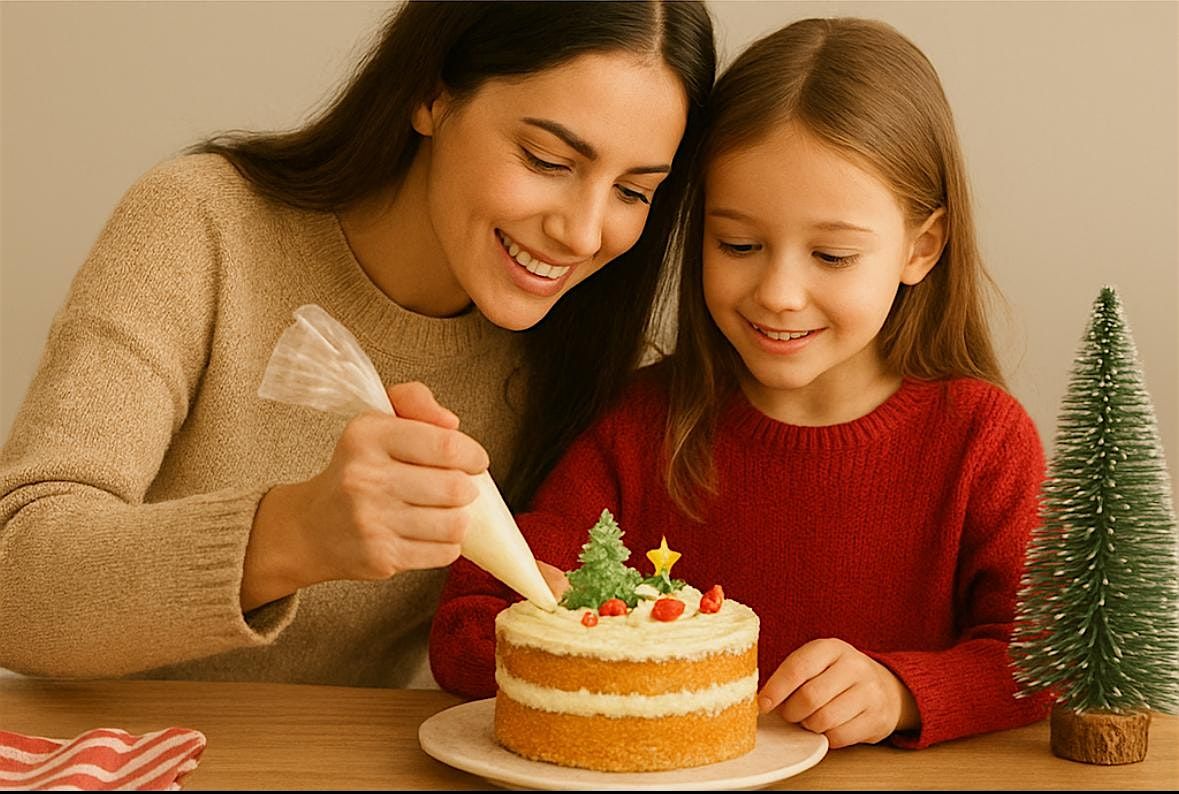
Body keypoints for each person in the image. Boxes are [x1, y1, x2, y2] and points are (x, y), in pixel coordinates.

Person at [0, 1, 715, 688]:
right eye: (547, 159)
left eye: (632, 191)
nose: (584, 234)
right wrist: (290, 534)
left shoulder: (586, 351)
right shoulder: (202, 225)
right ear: (432, 95)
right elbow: (13, 588)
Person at [430, 16, 1054, 748]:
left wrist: (900, 693)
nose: (779, 292)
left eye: (830, 256)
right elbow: (464, 635)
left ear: (921, 247)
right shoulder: (640, 427)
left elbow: (1043, 658)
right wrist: (564, 633)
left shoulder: (980, 438)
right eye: (739, 244)